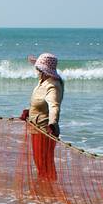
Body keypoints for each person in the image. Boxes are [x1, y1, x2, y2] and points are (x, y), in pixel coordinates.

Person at [25, 52, 64, 180]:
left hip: (45, 131)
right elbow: (39, 103)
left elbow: (54, 106)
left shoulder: (52, 85)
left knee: (45, 164)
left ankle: (49, 191)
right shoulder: (43, 81)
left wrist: (52, 124)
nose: (36, 70)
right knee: (39, 163)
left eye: (39, 68)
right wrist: (28, 112)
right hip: (36, 128)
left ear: (44, 70)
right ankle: (44, 192)